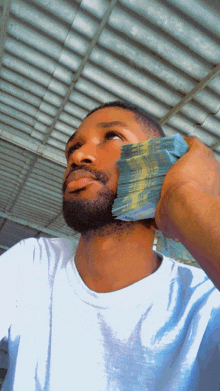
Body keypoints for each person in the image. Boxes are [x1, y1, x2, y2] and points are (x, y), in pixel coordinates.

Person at [0, 101, 219, 390]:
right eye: (72, 148)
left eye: (113, 136)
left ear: (161, 167)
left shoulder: (204, 306)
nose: (78, 155)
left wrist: (185, 196)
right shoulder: (34, 262)